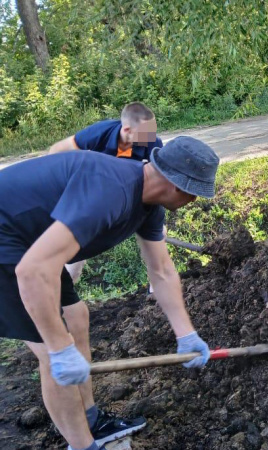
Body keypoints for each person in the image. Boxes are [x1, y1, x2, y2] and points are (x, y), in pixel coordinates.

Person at [0, 136, 219, 450]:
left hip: (32, 243)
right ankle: (82, 445)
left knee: (76, 317)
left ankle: (90, 419)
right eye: (194, 193)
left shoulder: (148, 206)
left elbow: (161, 270)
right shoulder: (111, 191)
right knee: (51, 352)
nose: (194, 201)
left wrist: (186, 334)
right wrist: (60, 349)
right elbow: (32, 271)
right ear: (176, 186)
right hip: (9, 243)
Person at [49, 102, 164, 284]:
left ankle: (156, 290)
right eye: (146, 132)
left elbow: (159, 182)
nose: (152, 136)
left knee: (159, 234)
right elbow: (57, 151)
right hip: (95, 201)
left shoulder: (153, 143)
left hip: (132, 200)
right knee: (74, 256)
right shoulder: (100, 132)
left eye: (153, 130)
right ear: (127, 130)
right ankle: (62, 292)